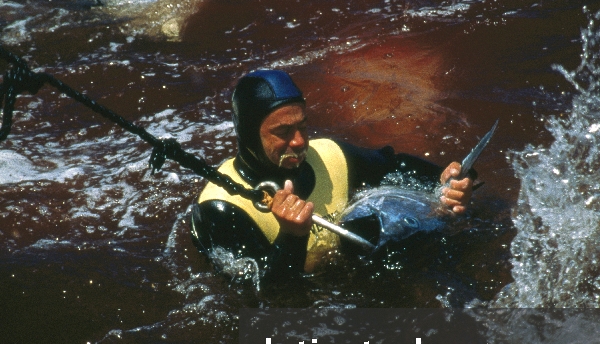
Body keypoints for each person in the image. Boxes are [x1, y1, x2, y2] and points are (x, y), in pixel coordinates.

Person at [190, 69, 473, 282]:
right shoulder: (221, 207)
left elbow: (395, 167)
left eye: (303, 126)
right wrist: (291, 237)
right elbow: (267, 295)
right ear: (250, 137)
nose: (300, 142)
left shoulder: (329, 156)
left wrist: (447, 181)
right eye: (283, 132)